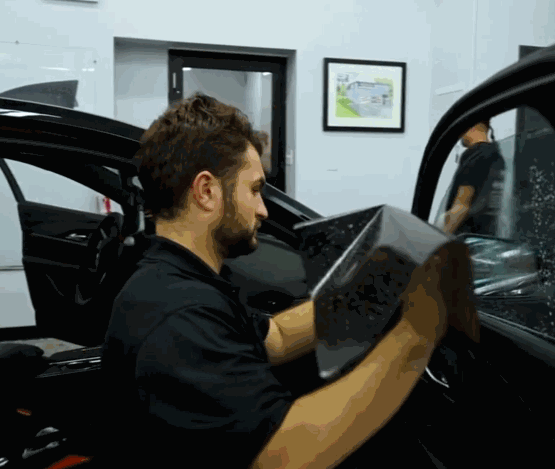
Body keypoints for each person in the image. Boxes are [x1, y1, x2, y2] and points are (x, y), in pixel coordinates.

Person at [96, 93, 462, 469]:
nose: (263, 210)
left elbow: (278, 336)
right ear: (206, 192)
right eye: (254, 189)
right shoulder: (180, 315)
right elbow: (285, 455)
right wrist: (418, 330)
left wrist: (366, 291)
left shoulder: (178, 280)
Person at [440, 119, 506, 236]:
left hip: (466, 241)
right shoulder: (497, 155)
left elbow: (461, 207)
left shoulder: (475, 156)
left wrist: (441, 240)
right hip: (485, 237)